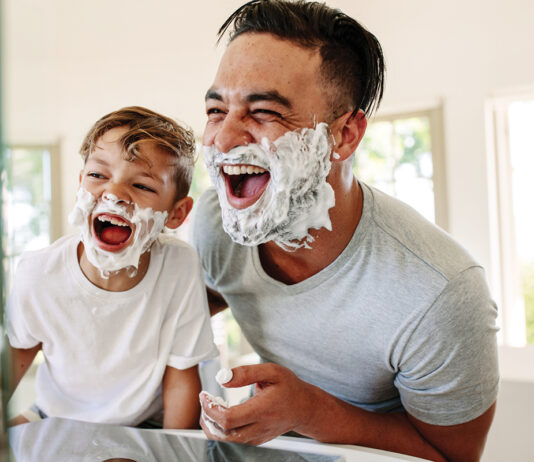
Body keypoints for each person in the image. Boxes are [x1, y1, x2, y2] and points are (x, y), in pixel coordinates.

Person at [191, 1, 499, 460]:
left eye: (264, 113)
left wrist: (310, 412)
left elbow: (453, 455)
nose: (223, 138)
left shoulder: (441, 292)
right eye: (216, 110)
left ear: (345, 135)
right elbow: (188, 306)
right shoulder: (217, 223)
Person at [6, 106, 218, 428]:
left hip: (144, 424)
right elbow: (11, 364)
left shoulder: (179, 266)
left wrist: (175, 450)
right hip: (56, 417)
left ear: (176, 214)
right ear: (80, 185)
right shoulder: (38, 274)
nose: (115, 194)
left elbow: (181, 378)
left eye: (143, 186)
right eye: (97, 175)